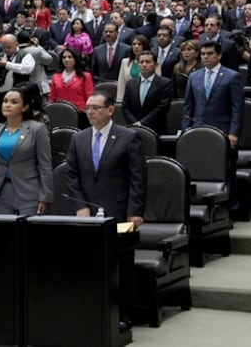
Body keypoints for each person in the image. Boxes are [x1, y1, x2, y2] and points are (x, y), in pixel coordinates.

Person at [65, 87, 146, 222]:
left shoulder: (129, 137)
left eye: (95, 108)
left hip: (118, 209)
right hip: (86, 211)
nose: (90, 112)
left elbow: (138, 179)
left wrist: (135, 211)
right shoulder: (78, 138)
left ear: (110, 110)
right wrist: (80, 205)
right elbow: (71, 175)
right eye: (87, 108)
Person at [0, 85, 52, 215]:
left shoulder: (37, 129)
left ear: (25, 107)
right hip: (0, 192)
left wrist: (45, 197)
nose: (7, 105)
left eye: (14, 102)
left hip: (29, 191)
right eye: (5, 101)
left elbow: (45, 165)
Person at [181, 40, 243, 146]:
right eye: (203, 54)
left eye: (210, 53)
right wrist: (185, 131)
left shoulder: (232, 76)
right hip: (197, 128)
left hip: (223, 130)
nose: (205, 57)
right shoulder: (193, 76)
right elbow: (188, 107)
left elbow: (237, 108)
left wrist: (233, 133)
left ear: (219, 55)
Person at [122, 50, 174, 135]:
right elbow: (125, 106)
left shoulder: (165, 83)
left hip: (156, 130)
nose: (144, 65)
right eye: (141, 62)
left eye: (148, 62)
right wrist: (135, 123)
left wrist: (142, 123)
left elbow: (162, 107)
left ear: (156, 64)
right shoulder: (131, 83)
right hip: (133, 129)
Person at [49, 47, 94, 111]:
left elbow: (90, 97)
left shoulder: (85, 76)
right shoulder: (55, 77)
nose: (66, 60)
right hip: (60, 112)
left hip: (80, 113)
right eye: (64, 57)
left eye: (70, 57)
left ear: (76, 58)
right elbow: (52, 98)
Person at [115, 34, 150, 103]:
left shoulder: (155, 62)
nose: (136, 46)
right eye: (134, 44)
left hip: (147, 99)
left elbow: (156, 84)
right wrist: (119, 101)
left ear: (145, 46)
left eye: (139, 44)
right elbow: (121, 84)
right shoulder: (125, 62)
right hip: (129, 99)